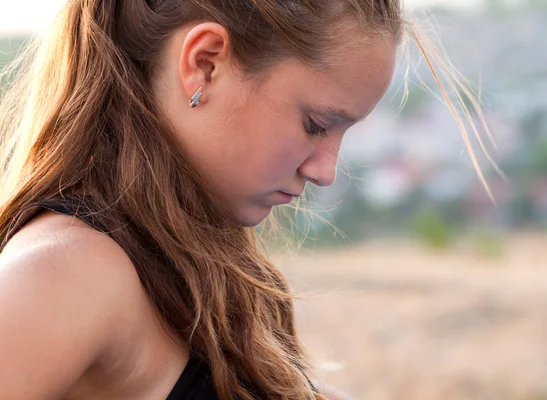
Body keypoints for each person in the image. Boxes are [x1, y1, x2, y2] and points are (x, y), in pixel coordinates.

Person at [0, 0, 487, 399]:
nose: (325, 170)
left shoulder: (181, 257)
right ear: (204, 62)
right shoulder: (66, 271)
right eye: (315, 125)